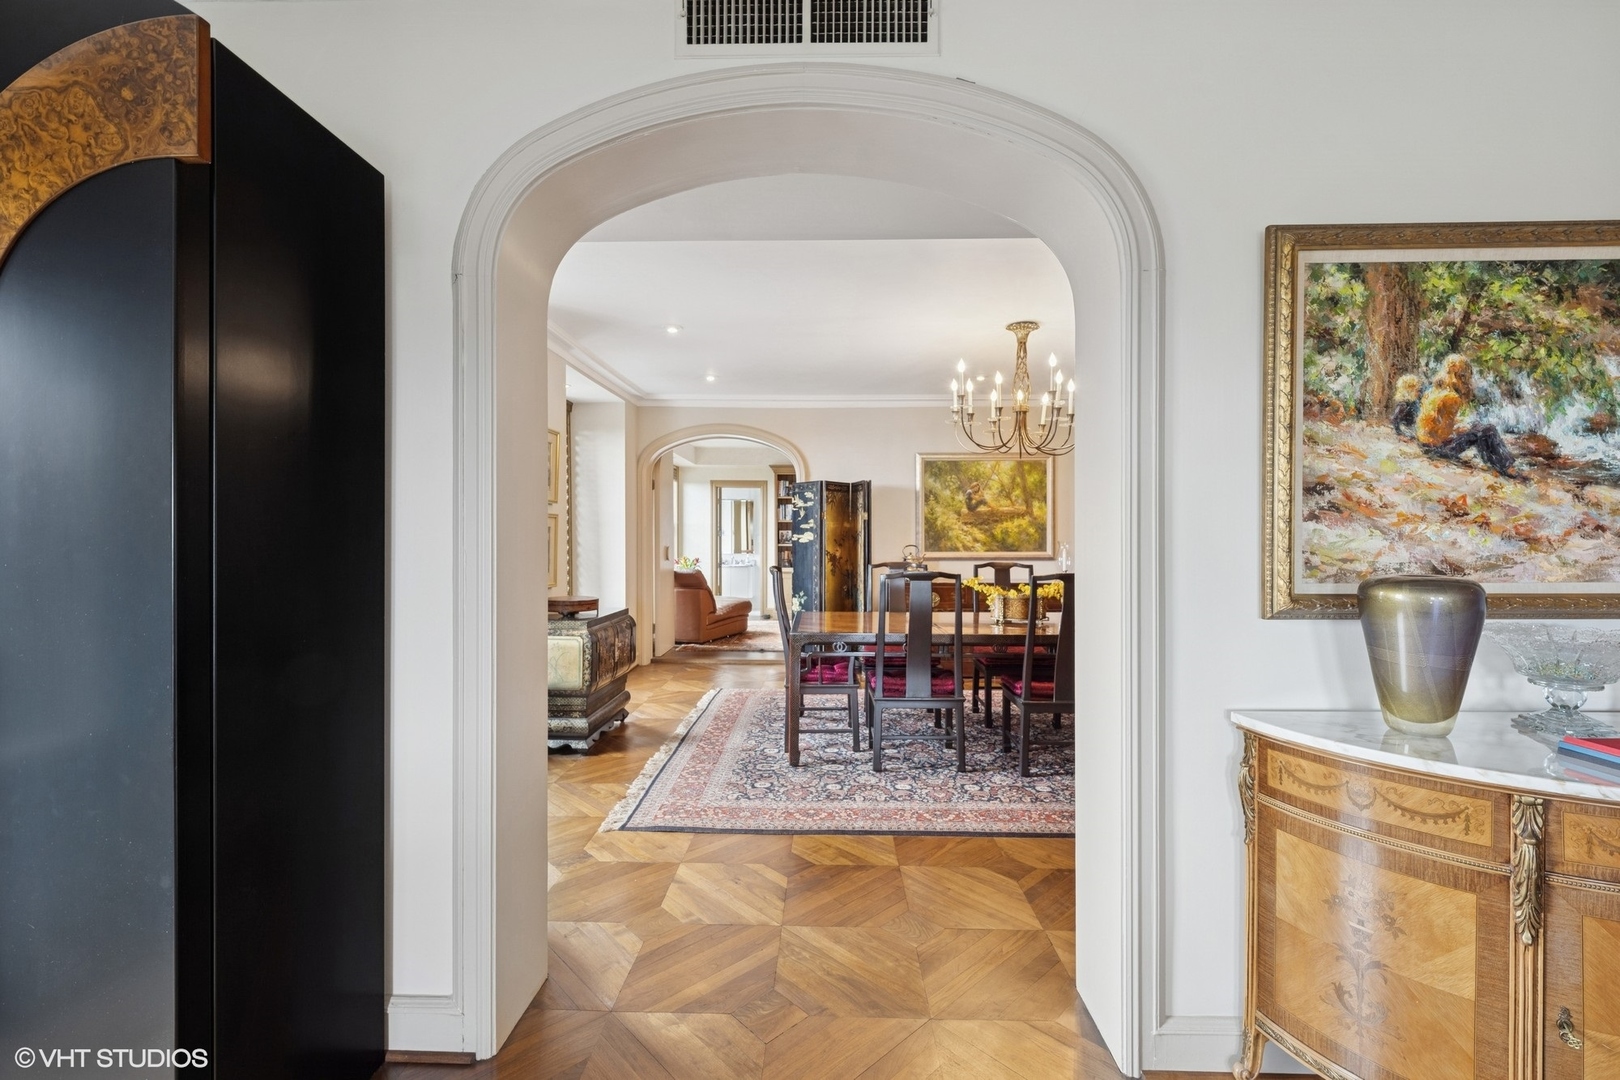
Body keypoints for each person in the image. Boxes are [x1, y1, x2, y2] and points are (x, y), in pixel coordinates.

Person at [1416, 354, 1517, 476]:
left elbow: (1435, 423)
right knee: (1487, 430)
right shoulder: (1452, 397)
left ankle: (1496, 462)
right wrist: (1459, 430)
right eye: (1467, 376)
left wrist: (1461, 427)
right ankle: (1506, 466)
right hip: (1437, 450)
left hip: (1424, 446)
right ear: (1461, 376)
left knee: (1477, 428)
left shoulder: (1433, 391)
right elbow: (1445, 434)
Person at [1390, 373, 1422, 438]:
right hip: (1407, 429)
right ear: (1409, 390)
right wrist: (1400, 434)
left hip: (1414, 427)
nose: (1418, 391)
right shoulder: (1403, 404)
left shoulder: (1414, 401)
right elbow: (1394, 419)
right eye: (1416, 389)